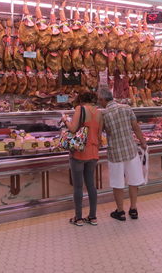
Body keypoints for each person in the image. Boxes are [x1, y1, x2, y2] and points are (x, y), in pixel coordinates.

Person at [98, 87, 147, 221]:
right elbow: (135, 127)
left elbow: (102, 133)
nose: (99, 103)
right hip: (130, 150)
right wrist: (142, 142)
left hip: (115, 153)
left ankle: (120, 212)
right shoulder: (126, 108)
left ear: (103, 99)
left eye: (99, 100)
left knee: (117, 182)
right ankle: (133, 209)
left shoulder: (104, 114)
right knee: (134, 180)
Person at [61, 91, 103, 226]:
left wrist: (65, 120)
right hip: (93, 151)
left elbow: (73, 129)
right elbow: (99, 133)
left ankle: (78, 218)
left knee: (78, 186)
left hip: (79, 152)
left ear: (81, 100)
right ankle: (92, 216)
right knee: (91, 185)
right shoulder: (99, 112)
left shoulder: (80, 109)